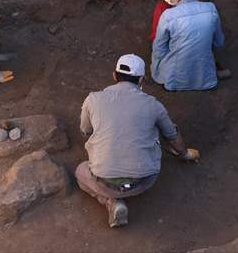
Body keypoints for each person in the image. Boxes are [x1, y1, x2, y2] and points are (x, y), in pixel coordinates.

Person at [75, 54, 200, 228]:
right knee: (154, 132)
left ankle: (111, 202)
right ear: (141, 79)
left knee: (81, 172)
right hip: (144, 180)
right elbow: (172, 134)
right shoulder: (153, 105)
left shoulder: (93, 99)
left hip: (104, 181)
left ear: (114, 75)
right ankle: (119, 196)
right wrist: (185, 154)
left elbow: (85, 131)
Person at [150, 0, 229, 91]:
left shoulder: (168, 16)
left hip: (174, 79)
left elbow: (159, 49)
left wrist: (157, 68)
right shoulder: (211, 9)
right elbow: (219, 42)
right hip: (205, 77)